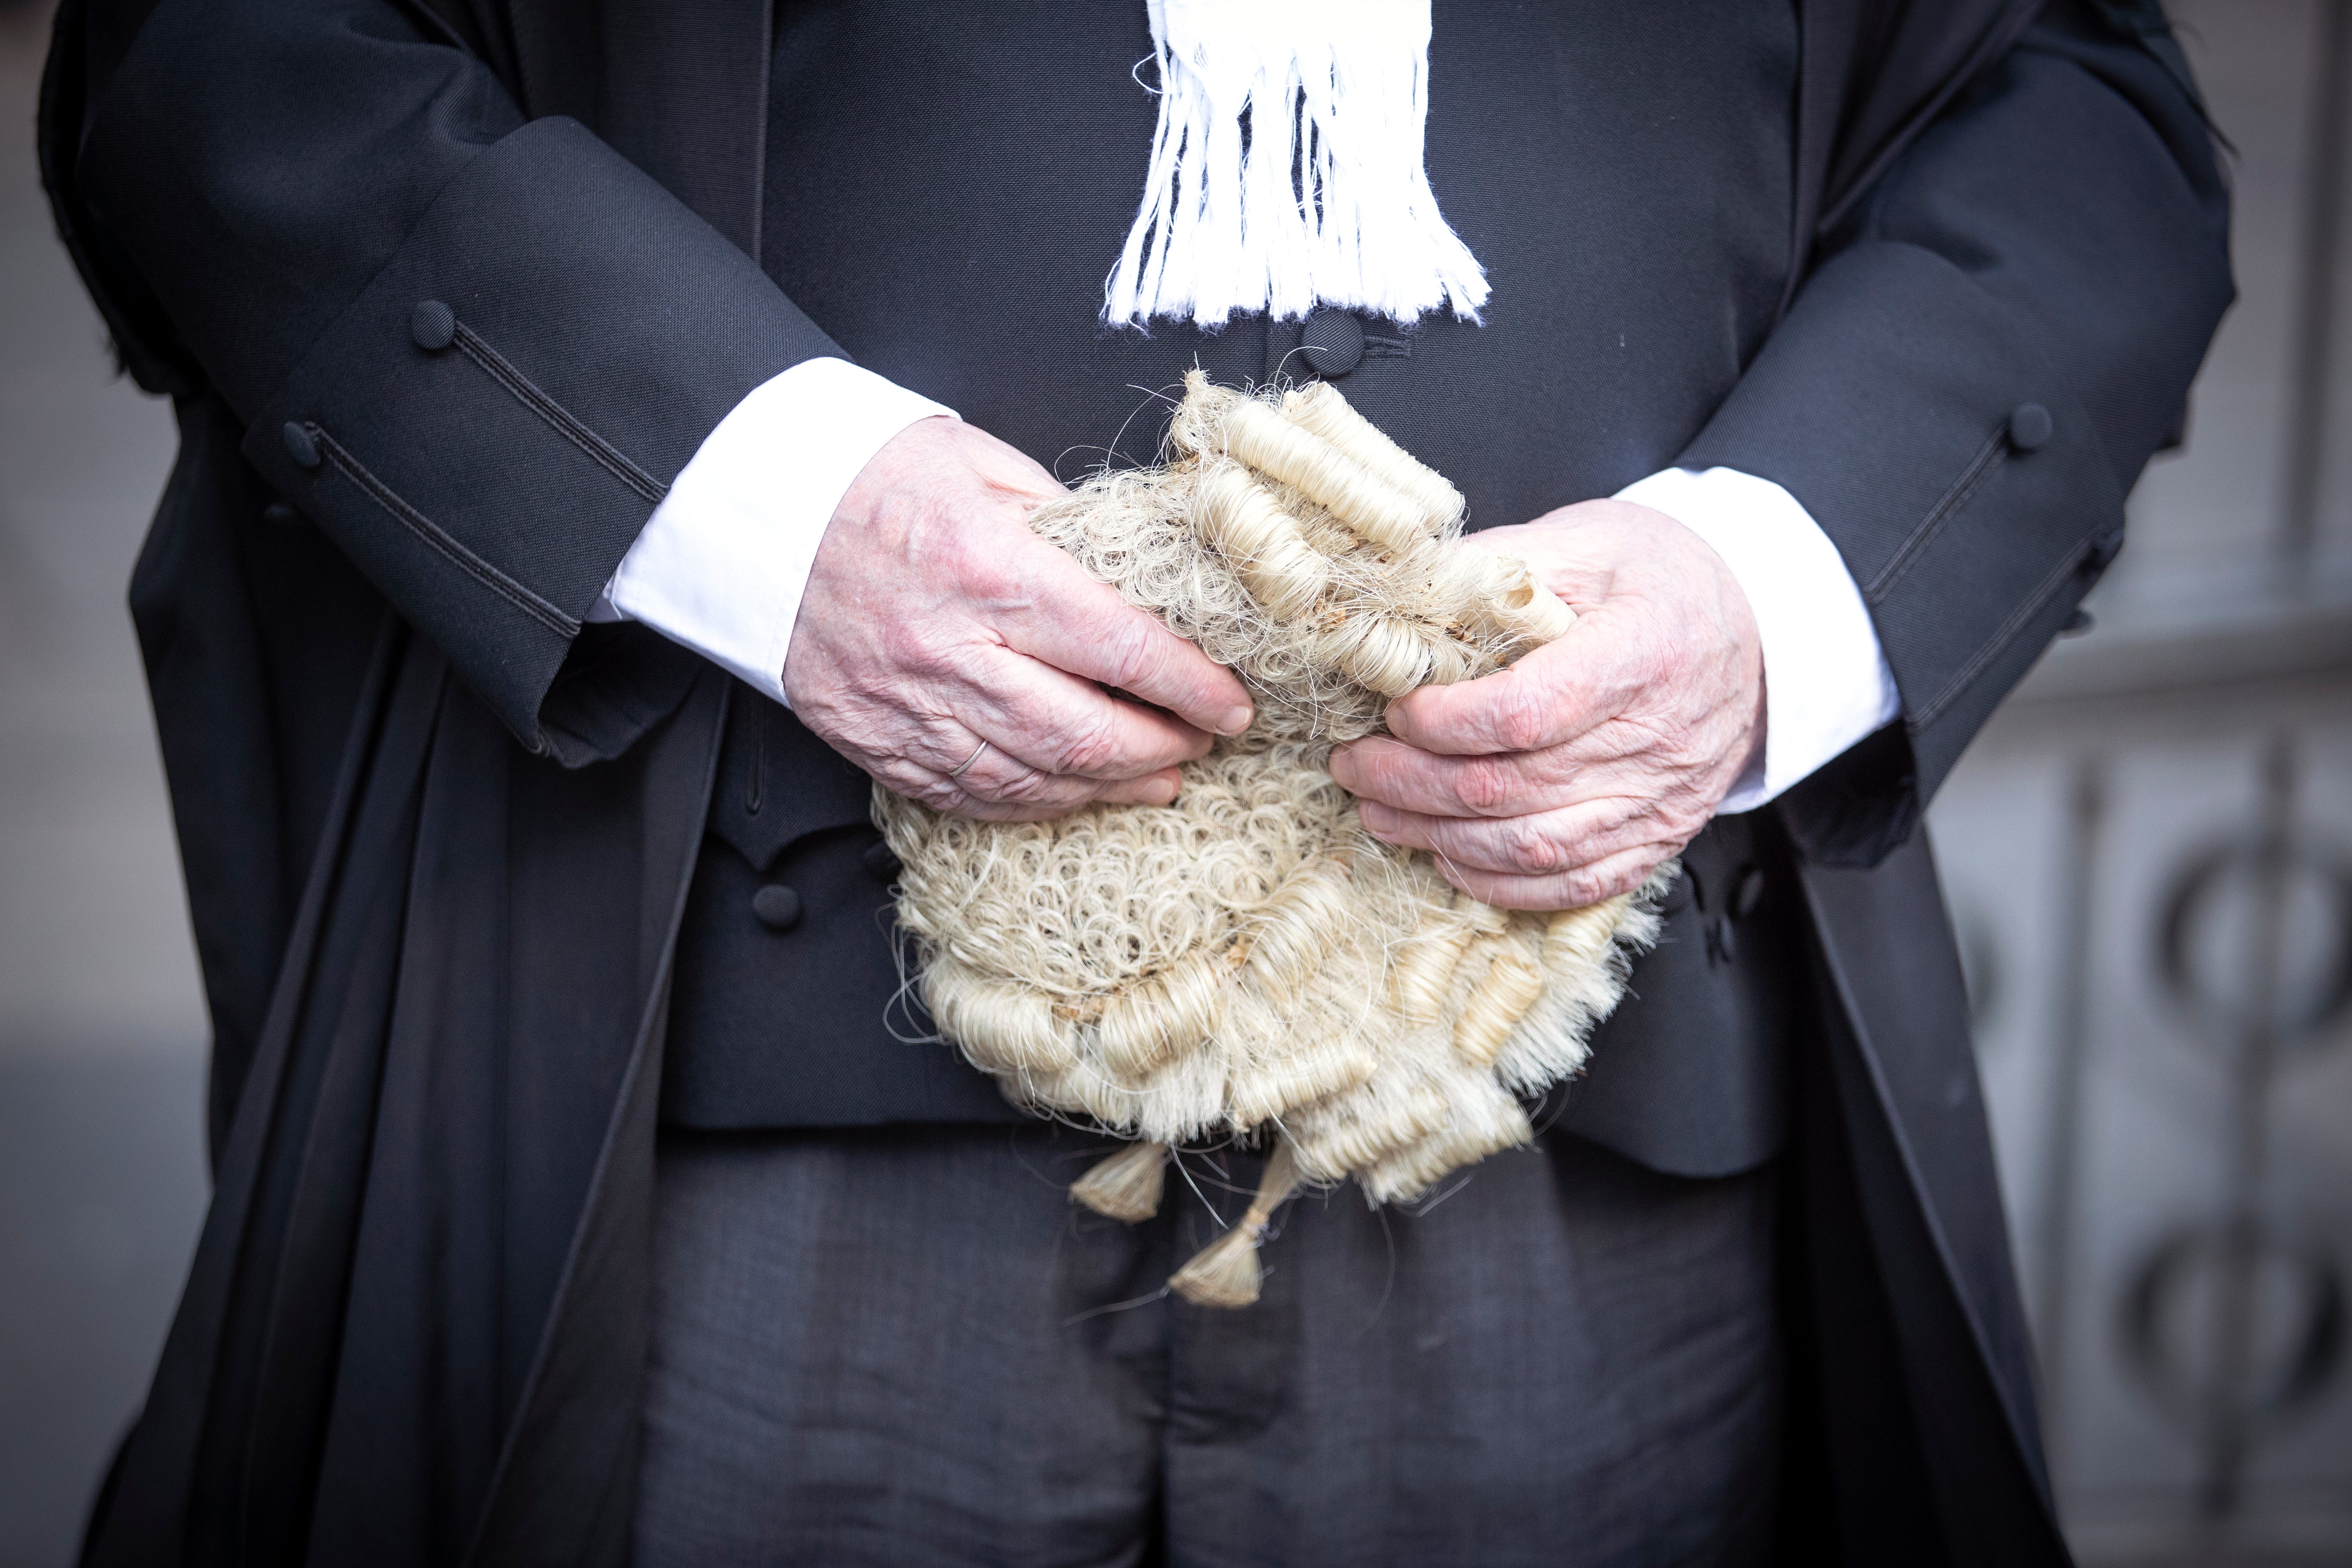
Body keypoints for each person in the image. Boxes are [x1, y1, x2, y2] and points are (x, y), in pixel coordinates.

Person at [42, 0, 2230, 1562]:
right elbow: (230, 52)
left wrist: (1784, 578)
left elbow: (2067, 98)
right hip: (699, 1161)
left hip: (1595, 1180)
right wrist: (742, 502)